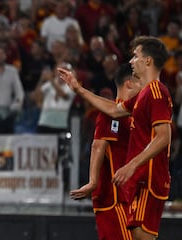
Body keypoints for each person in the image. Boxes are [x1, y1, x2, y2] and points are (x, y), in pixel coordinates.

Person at [58, 36, 172, 240]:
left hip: (150, 177)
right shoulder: (144, 95)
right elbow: (115, 110)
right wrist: (78, 89)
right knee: (136, 234)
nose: (131, 60)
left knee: (139, 235)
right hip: (138, 180)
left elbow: (164, 137)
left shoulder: (155, 91)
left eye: (135, 56)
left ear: (148, 61)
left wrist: (131, 165)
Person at [70, 63, 140, 240]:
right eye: (142, 82)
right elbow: (98, 145)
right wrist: (93, 182)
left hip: (127, 198)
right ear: (130, 83)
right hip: (114, 199)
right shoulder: (109, 113)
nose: (145, 87)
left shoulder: (130, 115)